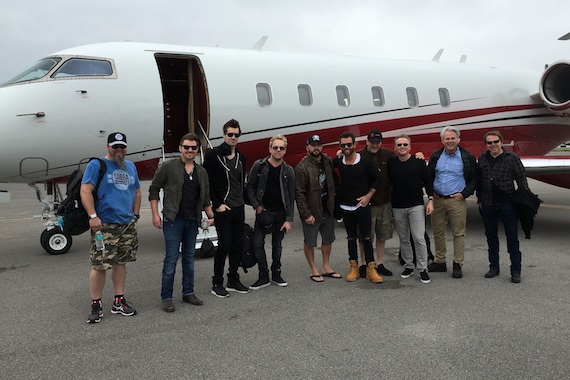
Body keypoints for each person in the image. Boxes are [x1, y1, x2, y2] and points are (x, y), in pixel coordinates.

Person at [149, 133, 215, 312]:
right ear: (180, 148)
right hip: (173, 220)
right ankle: (167, 297)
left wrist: (211, 216)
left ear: (197, 150)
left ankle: (188, 292)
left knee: (189, 259)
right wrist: (155, 215)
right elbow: (154, 190)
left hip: (192, 221)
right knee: (171, 259)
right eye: (186, 147)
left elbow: (206, 198)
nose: (190, 150)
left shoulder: (201, 172)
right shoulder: (168, 167)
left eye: (193, 148)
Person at [80, 132, 141, 323]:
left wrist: (136, 214)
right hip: (104, 225)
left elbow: (137, 191)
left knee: (121, 262)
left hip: (126, 224)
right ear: (108, 147)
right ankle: (96, 304)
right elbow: (85, 190)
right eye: (115, 147)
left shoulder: (130, 166)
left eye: (122, 146)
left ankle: (119, 300)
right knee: (100, 265)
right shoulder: (97, 165)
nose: (119, 150)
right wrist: (93, 216)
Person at [203, 119, 249, 298]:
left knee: (237, 245)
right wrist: (216, 204)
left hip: (239, 207)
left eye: (236, 135)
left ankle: (233, 279)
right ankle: (217, 282)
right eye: (230, 134)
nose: (233, 137)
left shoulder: (241, 157)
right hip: (223, 208)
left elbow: (241, 182)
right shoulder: (213, 156)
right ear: (224, 135)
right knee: (224, 245)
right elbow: (207, 182)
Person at [477, 131, 528, 283]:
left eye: (495, 142)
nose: (493, 145)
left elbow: (521, 178)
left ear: (501, 142)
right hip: (488, 203)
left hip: (508, 203)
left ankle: (516, 270)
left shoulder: (512, 158)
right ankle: (494, 267)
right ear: (486, 144)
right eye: (489, 143)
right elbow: (480, 180)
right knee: (491, 237)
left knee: (512, 237)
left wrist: (523, 198)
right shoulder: (482, 158)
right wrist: (479, 198)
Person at [245, 134, 295, 289]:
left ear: (285, 150)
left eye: (281, 148)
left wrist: (289, 219)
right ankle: (263, 275)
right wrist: (256, 206)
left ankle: (276, 273)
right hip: (264, 213)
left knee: (277, 245)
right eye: (275, 147)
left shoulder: (289, 171)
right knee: (257, 243)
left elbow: (291, 196)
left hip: (280, 213)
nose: (278, 150)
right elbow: (249, 187)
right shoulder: (259, 166)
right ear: (270, 149)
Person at [427, 126, 478, 278]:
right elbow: (429, 176)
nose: (450, 141)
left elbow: (475, 179)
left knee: (458, 233)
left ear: (458, 140)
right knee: (438, 232)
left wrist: (464, 194)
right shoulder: (436, 156)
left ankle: (457, 264)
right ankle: (440, 261)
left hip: (456, 200)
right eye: (447, 139)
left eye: (452, 138)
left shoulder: (466, 157)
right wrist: (431, 193)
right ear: (442, 140)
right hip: (438, 200)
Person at [333, 131, 384, 283]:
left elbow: (377, 179)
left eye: (349, 144)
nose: (346, 147)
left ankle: (371, 268)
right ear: (340, 146)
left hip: (362, 206)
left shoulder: (365, 161)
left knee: (366, 237)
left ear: (354, 145)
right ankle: (353, 267)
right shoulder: (338, 161)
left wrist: (368, 196)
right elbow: (323, 164)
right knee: (351, 238)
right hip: (345, 206)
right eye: (343, 145)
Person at [388, 135, 434, 283]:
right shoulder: (391, 163)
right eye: (399, 145)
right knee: (404, 239)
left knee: (419, 238)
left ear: (410, 146)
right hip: (398, 205)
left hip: (416, 205)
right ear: (395, 148)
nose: (402, 147)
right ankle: (408, 265)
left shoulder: (418, 162)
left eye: (405, 144)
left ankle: (423, 268)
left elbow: (428, 181)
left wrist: (431, 200)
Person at [295, 134, 340, 283]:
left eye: (318, 144)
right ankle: (313, 268)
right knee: (310, 242)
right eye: (313, 145)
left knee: (327, 240)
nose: (316, 148)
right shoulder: (302, 167)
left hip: (327, 209)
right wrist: (306, 213)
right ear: (307, 147)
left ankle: (326, 267)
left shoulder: (327, 161)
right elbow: (299, 193)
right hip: (312, 212)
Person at [357, 129, 396, 278]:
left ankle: (379, 263)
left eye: (377, 142)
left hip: (384, 202)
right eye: (372, 142)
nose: (375, 144)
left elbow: (402, 160)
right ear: (367, 142)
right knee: (364, 236)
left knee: (382, 234)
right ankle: (363, 263)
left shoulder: (388, 154)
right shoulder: (359, 155)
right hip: (367, 204)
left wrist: (417, 156)